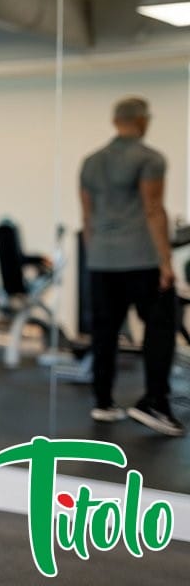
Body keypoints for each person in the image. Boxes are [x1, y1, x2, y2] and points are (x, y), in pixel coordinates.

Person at [80, 96, 184, 436]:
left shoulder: (91, 162)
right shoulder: (150, 158)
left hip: (102, 259)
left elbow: (88, 217)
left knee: (105, 331)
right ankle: (155, 402)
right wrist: (166, 262)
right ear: (142, 120)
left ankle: (103, 401)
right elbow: (153, 209)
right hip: (140, 257)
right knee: (160, 327)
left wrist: (97, 256)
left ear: (115, 121)